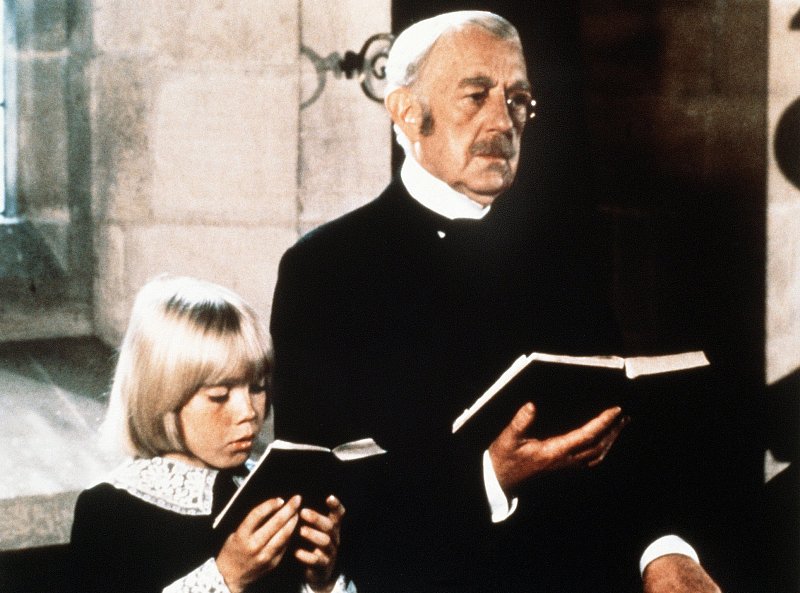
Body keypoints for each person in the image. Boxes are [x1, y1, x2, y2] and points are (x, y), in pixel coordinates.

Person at [271, 11, 726, 593]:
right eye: (476, 96)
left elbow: (618, 435)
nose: (503, 121)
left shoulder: (565, 255)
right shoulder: (326, 269)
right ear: (407, 112)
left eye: (518, 100)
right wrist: (490, 475)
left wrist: (665, 552)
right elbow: (321, 491)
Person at [70, 275, 355, 593]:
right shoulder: (108, 511)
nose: (248, 411)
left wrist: (322, 582)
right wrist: (227, 578)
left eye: (258, 388)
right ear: (162, 397)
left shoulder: (271, 488)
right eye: (220, 395)